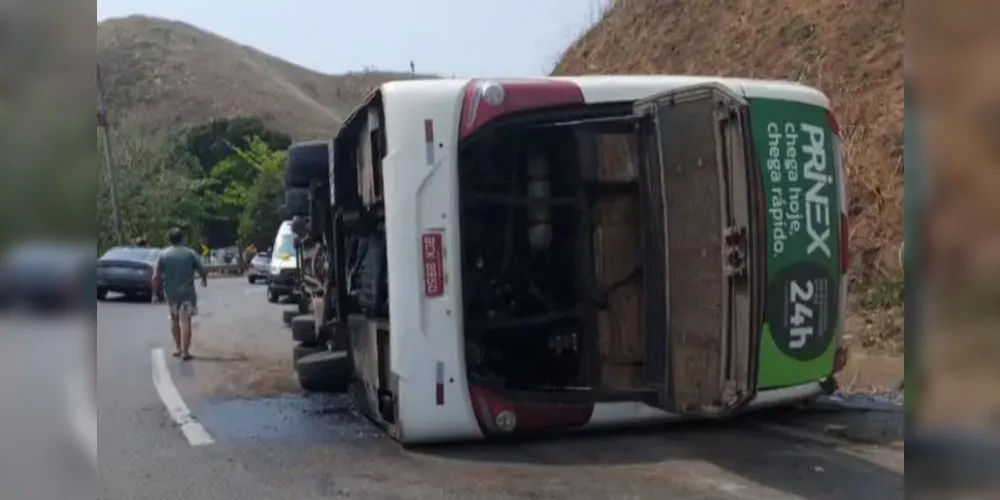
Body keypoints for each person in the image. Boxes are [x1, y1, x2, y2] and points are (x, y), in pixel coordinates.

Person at [152, 228, 208, 361]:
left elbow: (156, 276)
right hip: (187, 293)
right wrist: (203, 280)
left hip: (171, 293)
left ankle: (178, 347)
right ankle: (185, 352)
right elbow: (202, 269)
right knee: (186, 320)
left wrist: (154, 293)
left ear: (169, 240)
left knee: (174, 319)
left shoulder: (164, 255)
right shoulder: (190, 253)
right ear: (182, 239)